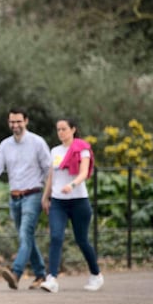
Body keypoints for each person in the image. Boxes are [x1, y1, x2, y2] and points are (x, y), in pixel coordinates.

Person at [0, 108, 51, 290]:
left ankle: (16, 273)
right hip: (14, 197)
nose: (15, 125)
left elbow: (50, 169)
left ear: (26, 121)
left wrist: (48, 196)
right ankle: (41, 274)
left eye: (18, 121)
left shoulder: (37, 143)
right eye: (12, 122)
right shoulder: (5, 145)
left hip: (33, 194)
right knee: (26, 237)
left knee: (25, 233)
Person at [39, 118, 103, 293]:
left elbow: (84, 172)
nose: (61, 132)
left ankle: (96, 274)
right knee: (56, 237)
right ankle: (51, 278)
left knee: (82, 240)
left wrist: (72, 185)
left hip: (79, 201)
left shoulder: (83, 149)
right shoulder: (55, 151)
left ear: (73, 129)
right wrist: (46, 197)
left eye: (64, 129)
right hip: (58, 201)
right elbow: (51, 177)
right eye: (58, 129)